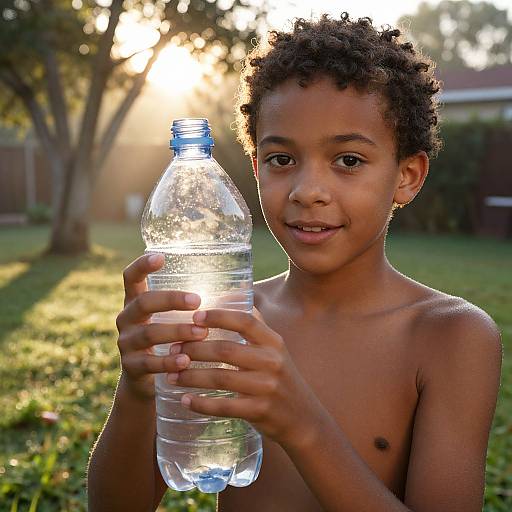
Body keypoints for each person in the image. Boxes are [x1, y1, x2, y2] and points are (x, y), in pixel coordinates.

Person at [87, 13, 502, 512]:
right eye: (281, 159)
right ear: (257, 165)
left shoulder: (451, 338)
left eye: (348, 160)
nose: (308, 192)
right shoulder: (224, 320)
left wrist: (302, 424)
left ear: (407, 177)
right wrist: (138, 389)